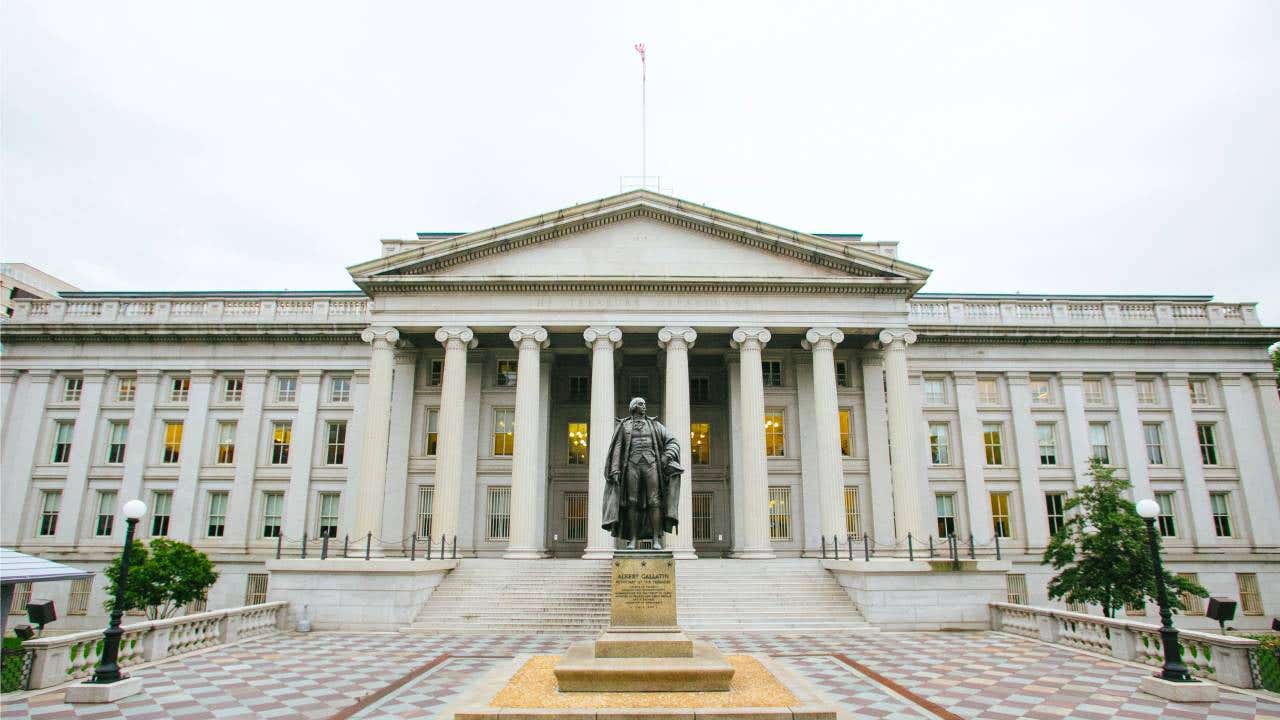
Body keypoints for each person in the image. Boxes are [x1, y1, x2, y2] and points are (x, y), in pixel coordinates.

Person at [601, 397, 682, 549]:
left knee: (654, 501)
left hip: (652, 465)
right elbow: (617, 448)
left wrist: (666, 457)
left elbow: (673, 442)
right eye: (641, 404)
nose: (644, 406)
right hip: (632, 465)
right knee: (632, 502)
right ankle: (632, 539)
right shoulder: (624, 426)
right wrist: (614, 469)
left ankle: (656, 539)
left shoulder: (655, 425)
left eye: (645, 404)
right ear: (633, 407)